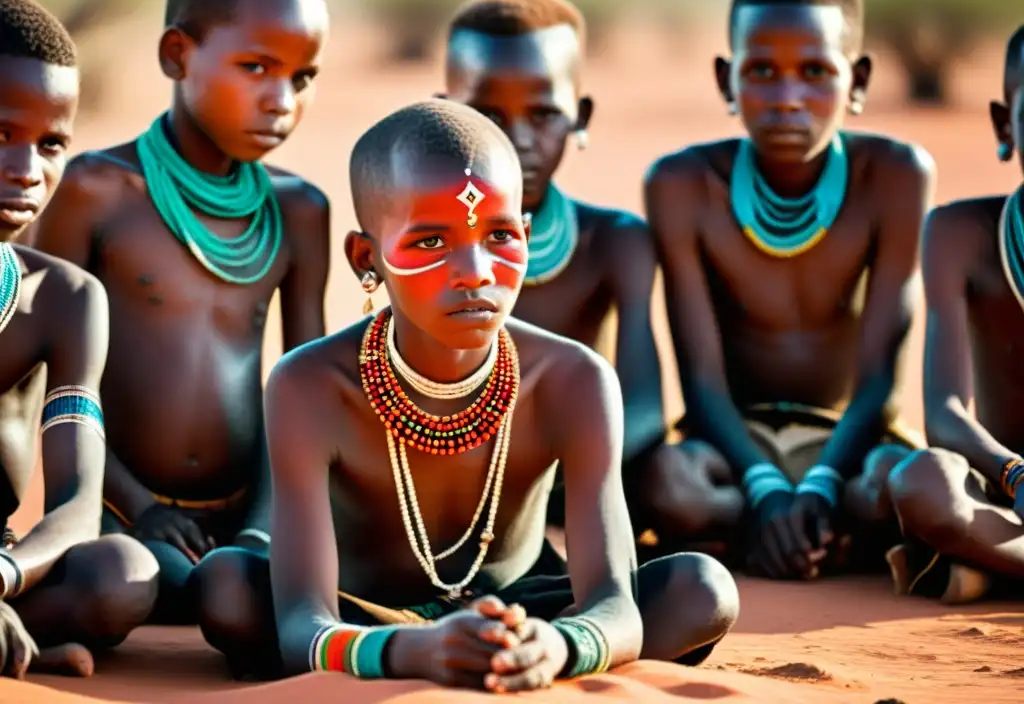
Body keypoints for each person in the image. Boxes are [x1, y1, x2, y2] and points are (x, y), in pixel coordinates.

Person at [195, 99, 739, 688]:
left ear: (526, 236)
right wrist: (413, 651)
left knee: (701, 589)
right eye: (431, 242)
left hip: (527, 614)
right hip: (369, 615)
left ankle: (502, 658)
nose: (476, 270)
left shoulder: (572, 378)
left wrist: (556, 645)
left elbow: (615, 605)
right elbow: (305, 622)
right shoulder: (310, 385)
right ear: (365, 259)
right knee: (228, 589)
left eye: (500, 235)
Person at [27, 0, 331, 635]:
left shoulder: (300, 210)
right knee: (158, 584)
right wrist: (139, 507)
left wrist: (261, 530)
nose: (281, 99)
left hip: (252, 511)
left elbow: (308, 390)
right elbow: (55, 383)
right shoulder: (98, 192)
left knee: (240, 593)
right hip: (121, 509)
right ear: (176, 55)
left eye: (303, 77)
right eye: (256, 66)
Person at [643, 0, 935, 578]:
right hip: (729, 443)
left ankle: (785, 533)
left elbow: (882, 375)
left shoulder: (895, 176)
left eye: (814, 72)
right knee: (670, 486)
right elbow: (700, 381)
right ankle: (805, 535)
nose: (787, 98)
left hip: (846, 438)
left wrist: (823, 480)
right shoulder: (684, 184)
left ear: (856, 80)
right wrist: (765, 485)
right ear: (726, 80)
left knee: (898, 485)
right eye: (762, 72)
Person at [441, 0, 701, 545]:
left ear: (580, 117)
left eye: (543, 113)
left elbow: (646, 410)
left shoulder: (613, 241)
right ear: (444, 116)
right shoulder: (427, 244)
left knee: (683, 489)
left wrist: (558, 478)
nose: (517, 139)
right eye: (486, 114)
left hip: (590, 468)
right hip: (461, 475)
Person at [0, 0, 158, 679]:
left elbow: (76, 508)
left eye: (52, 143)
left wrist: (3, 577)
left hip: (3, 569)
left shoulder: (64, 300)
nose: (27, 172)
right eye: (0, 134)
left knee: (121, 574)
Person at [885, 25, 1024, 604]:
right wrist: (1013, 471)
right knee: (920, 481)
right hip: (1004, 488)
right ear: (1004, 125)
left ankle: (991, 567)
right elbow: (942, 410)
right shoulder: (958, 233)